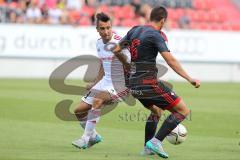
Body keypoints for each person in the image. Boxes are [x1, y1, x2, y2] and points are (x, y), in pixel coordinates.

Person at [111, 6, 200, 158]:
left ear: (150, 17)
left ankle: (148, 148)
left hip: (133, 83)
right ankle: (156, 141)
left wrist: (127, 64)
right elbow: (170, 60)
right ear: (163, 20)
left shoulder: (135, 30)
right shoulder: (155, 34)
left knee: (156, 111)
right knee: (182, 111)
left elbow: (116, 49)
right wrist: (189, 78)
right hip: (148, 83)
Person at [71, 12, 131, 149]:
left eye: (108, 27)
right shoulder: (98, 43)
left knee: (98, 100)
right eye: (102, 28)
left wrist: (119, 54)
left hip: (120, 84)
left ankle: (85, 139)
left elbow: (130, 65)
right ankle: (94, 136)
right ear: (97, 30)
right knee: (79, 111)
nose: (106, 31)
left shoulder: (121, 42)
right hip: (105, 81)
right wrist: (95, 82)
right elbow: (103, 64)